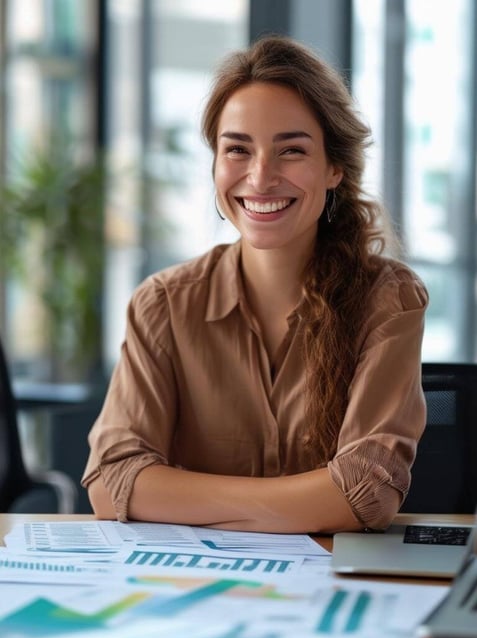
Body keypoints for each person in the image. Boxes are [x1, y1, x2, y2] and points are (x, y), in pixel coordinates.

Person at [82, 34, 428, 534]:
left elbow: (364, 494)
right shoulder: (162, 305)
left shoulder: (388, 299)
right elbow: (112, 481)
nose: (261, 178)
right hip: (188, 588)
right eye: (237, 149)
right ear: (216, 163)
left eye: (291, 150)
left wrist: (179, 496)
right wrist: (311, 501)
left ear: (334, 167)